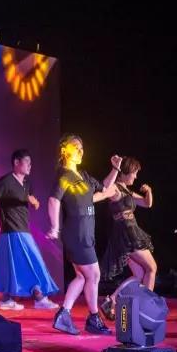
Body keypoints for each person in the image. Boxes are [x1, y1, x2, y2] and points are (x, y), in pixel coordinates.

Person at [0, 149, 59, 310]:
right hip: (12, 229)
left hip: (22, 229)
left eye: (31, 163)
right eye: (27, 162)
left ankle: (6, 299)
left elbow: (31, 200)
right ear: (16, 162)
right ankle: (39, 297)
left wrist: (35, 202)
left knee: (12, 266)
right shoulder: (6, 181)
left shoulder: (27, 184)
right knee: (33, 262)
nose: (30, 165)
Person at [46, 134, 119, 335]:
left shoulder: (83, 176)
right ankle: (94, 318)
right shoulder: (64, 175)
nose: (80, 150)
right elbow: (54, 200)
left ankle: (63, 314)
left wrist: (115, 169)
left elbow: (104, 188)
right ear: (64, 150)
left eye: (82, 147)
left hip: (86, 234)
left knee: (81, 276)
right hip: (76, 234)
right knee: (93, 275)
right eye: (75, 146)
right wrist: (54, 227)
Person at [99, 156, 156, 320]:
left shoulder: (127, 191)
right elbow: (104, 189)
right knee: (151, 268)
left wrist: (149, 191)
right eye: (134, 173)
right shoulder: (115, 188)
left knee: (139, 275)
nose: (136, 177)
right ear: (126, 172)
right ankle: (146, 309)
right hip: (127, 234)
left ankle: (111, 300)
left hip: (128, 234)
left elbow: (147, 203)